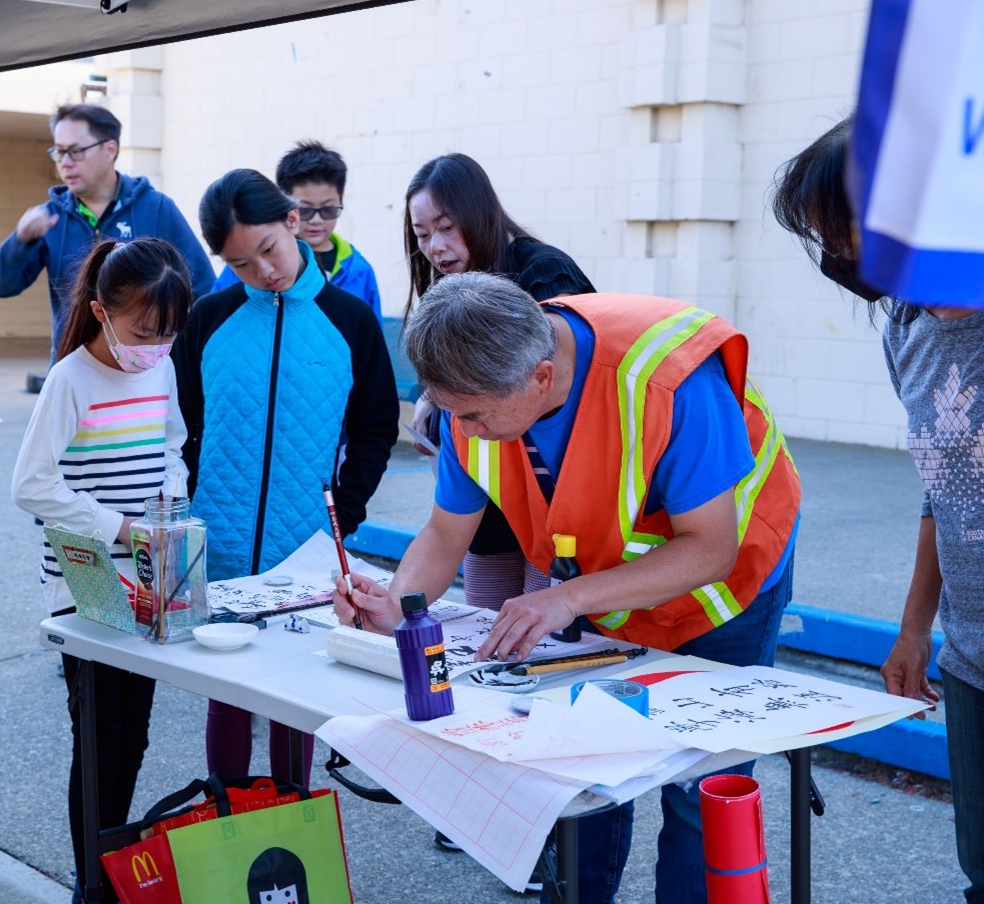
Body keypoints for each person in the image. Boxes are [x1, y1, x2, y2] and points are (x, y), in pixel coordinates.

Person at [337, 272, 801, 904]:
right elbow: (446, 531)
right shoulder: (476, 389)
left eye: (474, 415)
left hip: (729, 590)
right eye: (451, 413)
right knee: (583, 767)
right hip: (602, 585)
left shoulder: (669, 383)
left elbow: (711, 549)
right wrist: (397, 604)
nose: (463, 432)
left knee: (698, 781)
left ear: (543, 379)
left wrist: (567, 599)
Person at [774, 116, 983, 903]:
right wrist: (914, 625)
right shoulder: (908, 329)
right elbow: (945, 485)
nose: (857, 261)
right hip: (972, 655)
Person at [174, 169, 399, 782]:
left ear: (293, 223)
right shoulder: (209, 318)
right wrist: (195, 508)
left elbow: (377, 429)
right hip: (216, 544)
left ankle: (292, 819)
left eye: (268, 249)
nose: (263, 271)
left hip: (307, 549)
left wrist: (340, 517)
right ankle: (227, 808)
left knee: (295, 699)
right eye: (241, 263)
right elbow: (184, 428)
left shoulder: (351, 321)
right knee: (226, 688)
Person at [12, 237, 194, 904]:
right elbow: (30, 484)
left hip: (150, 569)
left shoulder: (161, 370)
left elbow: (171, 444)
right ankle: (92, 881)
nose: (155, 346)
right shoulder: (70, 380)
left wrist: (172, 494)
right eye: (144, 332)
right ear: (100, 311)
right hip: (85, 577)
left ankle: (110, 870)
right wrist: (119, 525)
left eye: (168, 334)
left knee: (134, 733)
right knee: (98, 736)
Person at [404, 153, 596, 610]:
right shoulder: (450, 287)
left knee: (540, 627)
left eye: (447, 227)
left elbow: (557, 391)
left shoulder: (547, 276)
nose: (435, 246)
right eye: (422, 234)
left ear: (480, 214)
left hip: (550, 491)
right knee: (486, 621)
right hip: (485, 496)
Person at [0, 103, 216, 379]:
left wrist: (162, 344)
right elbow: (0, 286)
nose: (65, 162)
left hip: (144, 375)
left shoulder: (156, 208)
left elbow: (202, 287)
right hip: (74, 373)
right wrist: (21, 240)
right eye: (59, 152)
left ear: (110, 150)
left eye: (76, 151)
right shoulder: (49, 218)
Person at [211, 140, 382, 316]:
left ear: (341, 200)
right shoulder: (248, 263)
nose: (316, 220)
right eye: (305, 210)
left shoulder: (359, 271)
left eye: (328, 209)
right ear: (284, 205)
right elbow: (216, 319)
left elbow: (371, 336)